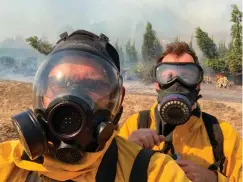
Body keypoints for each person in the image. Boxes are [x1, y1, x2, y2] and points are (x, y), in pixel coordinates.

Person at [0, 30, 191, 182]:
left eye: (94, 85)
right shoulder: (8, 161)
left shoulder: (153, 171)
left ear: (118, 100)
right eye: (60, 82)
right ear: (41, 94)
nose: (73, 96)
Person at [118, 42, 242, 182]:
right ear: (158, 84)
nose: (176, 83)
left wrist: (213, 178)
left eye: (187, 76)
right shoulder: (135, 125)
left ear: (198, 84)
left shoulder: (222, 134)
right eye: (168, 76)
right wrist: (126, 153)